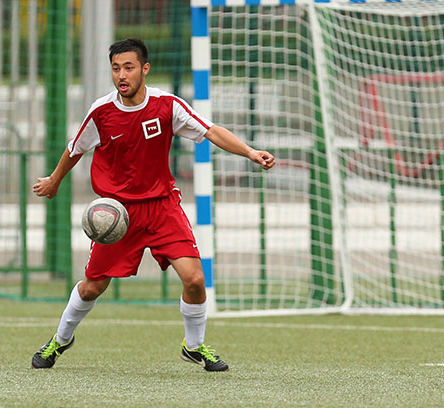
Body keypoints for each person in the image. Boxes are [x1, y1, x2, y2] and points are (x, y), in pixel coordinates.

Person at [31, 38, 275, 372]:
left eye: (129, 67)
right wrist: (54, 180)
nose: (122, 75)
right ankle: (60, 340)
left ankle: (194, 346)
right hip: (119, 213)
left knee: (195, 280)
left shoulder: (167, 106)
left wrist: (250, 152)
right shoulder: (101, 111)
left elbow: (210, 131)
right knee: (92, 287)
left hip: (162, 208)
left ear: (145, 69)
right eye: (116, 68)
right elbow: (75, 149)